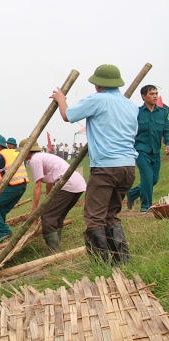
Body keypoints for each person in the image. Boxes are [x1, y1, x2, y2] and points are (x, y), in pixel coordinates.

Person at [50, 63, 137, 264]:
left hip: (106, 167)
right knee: (111, 214)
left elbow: (67, 115)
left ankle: (101, 265)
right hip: (128, 166)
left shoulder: (98, 100)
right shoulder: (131, 105)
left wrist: (61, 99)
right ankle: (121, 261)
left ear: (98, 85)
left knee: (94, 217)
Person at [18, 139, 86, 252]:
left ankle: (55, 251)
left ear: (28, 151)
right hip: (77, 184)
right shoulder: (43, 157)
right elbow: (49, 183)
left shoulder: (35, 160)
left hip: (68, 184)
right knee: (58, 214)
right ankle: (57, 243)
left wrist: (34, 210)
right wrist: (49, 200)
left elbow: (38, 186)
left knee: (47, 216)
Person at [127, 85, 169, 212]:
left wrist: (168, 143)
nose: (155, 96)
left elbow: (167, 130)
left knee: (154, 179)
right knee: (146, 178)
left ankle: (132, 193)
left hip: (155, 151)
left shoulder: (163, 113)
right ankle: (146, 207)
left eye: (156, 93)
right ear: (143, 96)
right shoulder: (137, 112)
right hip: (141, 150)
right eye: (151, 94)